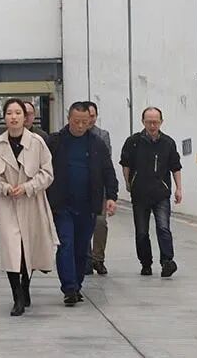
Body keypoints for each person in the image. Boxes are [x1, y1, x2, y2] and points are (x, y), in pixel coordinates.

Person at [0, 98, 59, 316]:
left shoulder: (37, 142)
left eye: (18, 113)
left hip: (32, 202)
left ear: (25, 117)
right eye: (9, 113)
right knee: (11, 249)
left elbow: (47, 173)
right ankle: (16, 296)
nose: (14, 117)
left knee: (29, 248)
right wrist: (5, 188)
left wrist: (28, 187)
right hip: (7, 204)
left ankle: (25, 284)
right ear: (4, 117)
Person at [47, 102, 118, 305]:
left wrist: (111, 196)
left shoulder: (97, 144)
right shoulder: (55, 142)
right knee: (66, 244)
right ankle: (69, 288)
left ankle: (76, 285)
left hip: (88, 205)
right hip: (62, 205)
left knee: (81, 249)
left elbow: (108, 171)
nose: (80, 126)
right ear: (68, 119)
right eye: (76, 121)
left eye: (84, 122)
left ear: (90, 121)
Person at [120, 106, 182, 277]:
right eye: (149, 122)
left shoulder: (168, 143)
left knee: (163, 228)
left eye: (155, 122)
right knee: (141, 232)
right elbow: (125, 164)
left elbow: (175, 167)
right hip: (140, 193)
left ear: (161, 122)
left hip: (161, 193)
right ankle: (145, 263)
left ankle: (167, 261)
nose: (152, 126)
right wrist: (128, 183)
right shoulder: (133, 142)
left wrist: (179, 188)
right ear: (143, 122)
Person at [86, 101, 112, 276]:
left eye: (93, 116)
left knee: (100, 223)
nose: (90, 120)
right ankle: (86, 259)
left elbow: (107, 162)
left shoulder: (103, 135)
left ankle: (98, 258)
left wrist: (110, 192)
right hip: (79, 188)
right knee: (82, 224)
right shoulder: (72, 135)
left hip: (98, 188)